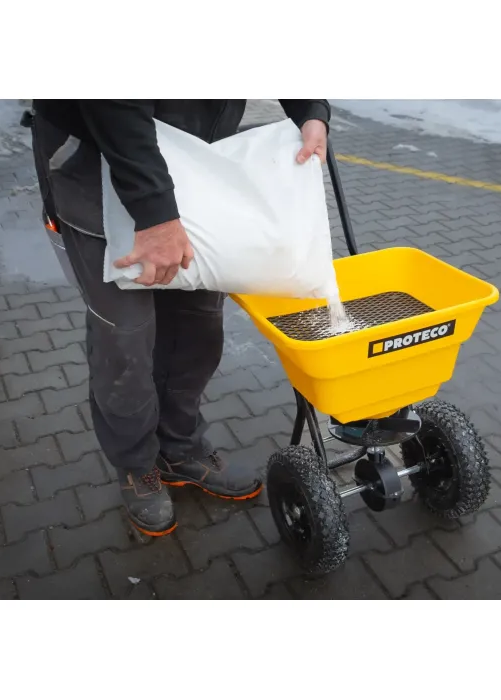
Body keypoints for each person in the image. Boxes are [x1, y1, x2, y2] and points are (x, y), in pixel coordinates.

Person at [29, 100, 330, 537]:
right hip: (94, 160)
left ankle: (179, 448)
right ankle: (136, 464)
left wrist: (310, 110)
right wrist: (156, 215)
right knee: (125, 338)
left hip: (195, 162)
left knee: (198, 325)